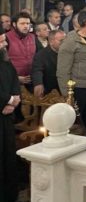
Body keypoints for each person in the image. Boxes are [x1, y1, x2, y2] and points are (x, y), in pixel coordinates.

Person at [0, 30, 20, 202]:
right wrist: (8, 100)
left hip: (6, 118)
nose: (5, 44)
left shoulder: (6, 63)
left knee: (8, 156)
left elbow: (14, 80)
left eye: (4, 40)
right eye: (1, 42)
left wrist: (14, 99)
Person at [6, 11, 36, 87]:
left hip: (31, 80)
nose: (26, 26)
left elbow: (38, 58)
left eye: (28, 23)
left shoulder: (33, 37)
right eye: (22, 23)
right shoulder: (6, 38)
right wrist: (16, 78)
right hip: (11, 81)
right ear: (14, 24)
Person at [32, 29, 65, 97]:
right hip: (49, 90)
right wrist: (38, 83)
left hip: (65, 87)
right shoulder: (41, 55)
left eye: (65, 40)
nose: (64, 43)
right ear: (51, 42)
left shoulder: (68, 53)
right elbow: (37, 70)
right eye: (61, 40)